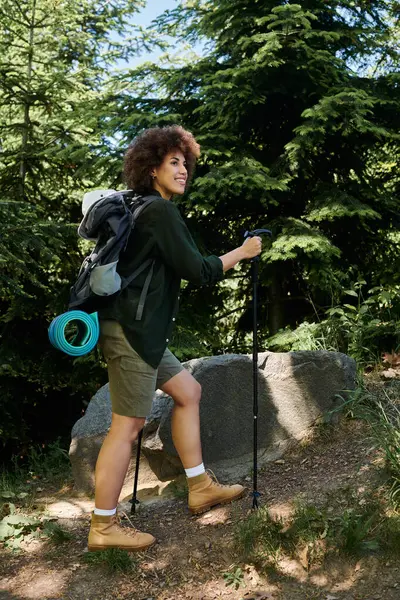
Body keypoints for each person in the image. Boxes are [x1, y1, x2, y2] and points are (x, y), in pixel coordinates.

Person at [88, 125, 262, 552]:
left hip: (137, 330)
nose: (183, 170)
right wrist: (242, 252)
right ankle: (103, 526)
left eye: (185, 162)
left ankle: (199, 486)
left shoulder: (140, 208)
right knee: (126, 427)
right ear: (151, 168)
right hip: (132, 333)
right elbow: (199, 271)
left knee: (188, 390)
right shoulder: (158, 212)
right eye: (173, 162)